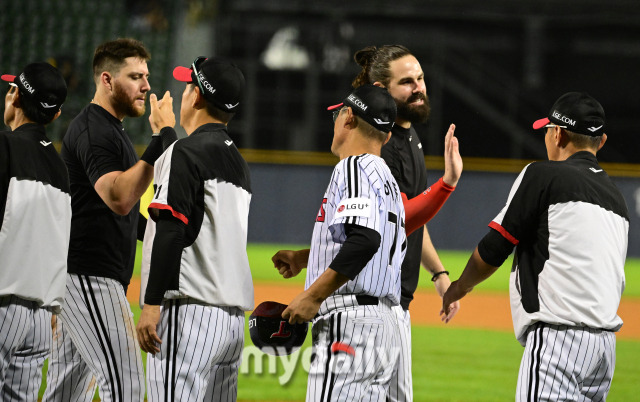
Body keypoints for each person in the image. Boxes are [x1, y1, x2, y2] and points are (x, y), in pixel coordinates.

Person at [442, 92, 629, 401]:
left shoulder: (543, 175)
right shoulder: (617, 199)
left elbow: (494, 248)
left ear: (558, 133)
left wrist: (460, 287)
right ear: (602, 141)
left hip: (559, 341)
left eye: (547, 130)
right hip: (604, 352)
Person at [44, 38, 176, 402]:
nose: (146, 85)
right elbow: (119, 198)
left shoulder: (110, 128)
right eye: (135, 76)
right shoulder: (93, 129)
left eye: (146, 76)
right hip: (89, 276)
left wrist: (163, 236)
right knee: (127, 386)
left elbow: (125, 214)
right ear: (107, 79)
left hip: (89, 276)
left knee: (67, 392)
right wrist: (159, 140)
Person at [273, 84, 405, 401]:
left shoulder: (354, 165)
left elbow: (365, 239)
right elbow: (368, 239)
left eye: (337, 114)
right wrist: (305, 259)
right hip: (384, 327)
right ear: (387, 136)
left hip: (351, 325)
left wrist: (313, 296)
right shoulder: (387, 179)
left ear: (348, 117)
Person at [135, 56, 253, 401]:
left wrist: (152, 304)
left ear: (198, 96)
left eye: (188, 85)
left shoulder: (185, 152)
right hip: (230, 324)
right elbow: (196, 230)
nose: (184, 92)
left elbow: (173, 231)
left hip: (189, 315)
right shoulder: (238, 162)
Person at [351, 44, 462, 401]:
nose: (418, 87)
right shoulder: (381, 146)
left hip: (396, 302)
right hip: (373, 302)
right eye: (407, 82)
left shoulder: (408, 136)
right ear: (382, 89)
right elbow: (395, 220)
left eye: (421, 78)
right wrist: (446, 184)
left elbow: (411, 218)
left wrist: (439, 274)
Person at [0, 63, 70, 401]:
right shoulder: (60, 168)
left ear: (15, 97)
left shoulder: (6, 146)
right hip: (42, 317)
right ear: (55, 115)